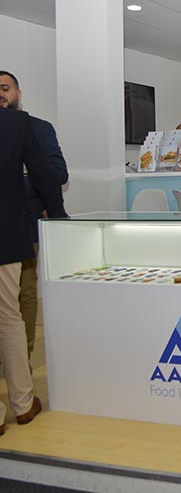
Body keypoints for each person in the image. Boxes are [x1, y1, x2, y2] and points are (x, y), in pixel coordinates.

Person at [0, 103, 62, 434]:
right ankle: (23, 404)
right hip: (5, 234)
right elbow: (44, 175)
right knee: (8, 317)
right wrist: (58, 214)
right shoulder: (15, 123)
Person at [0, 71, 68, 357]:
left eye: (5, 88)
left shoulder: (38, 128)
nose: (1, 94)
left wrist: (14, 184)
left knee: (25, 293)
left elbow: (57, 174)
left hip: (26, 223)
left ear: (18, 93)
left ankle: (23, 358)